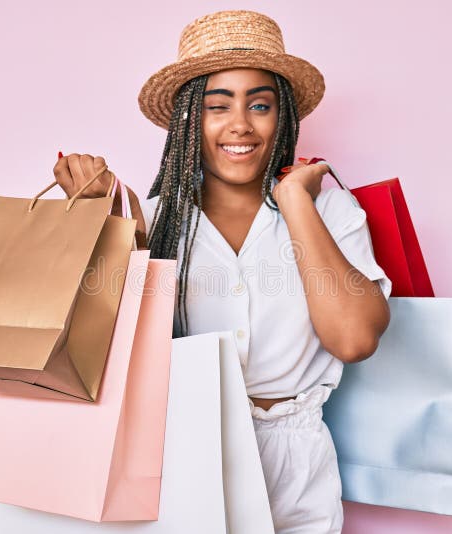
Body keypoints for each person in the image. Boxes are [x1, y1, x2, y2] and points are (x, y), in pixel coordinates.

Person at [53, 10, 392, 534]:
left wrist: (295, 203)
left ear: (283, 119)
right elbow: (119, 348)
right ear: (189, 120)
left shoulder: (331, 212)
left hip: (295, 462)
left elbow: (354, 339)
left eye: (261, 105)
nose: (240, 124)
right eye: (217, 107)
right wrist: (106, 217)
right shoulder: (159, 219)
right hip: (181, 455)